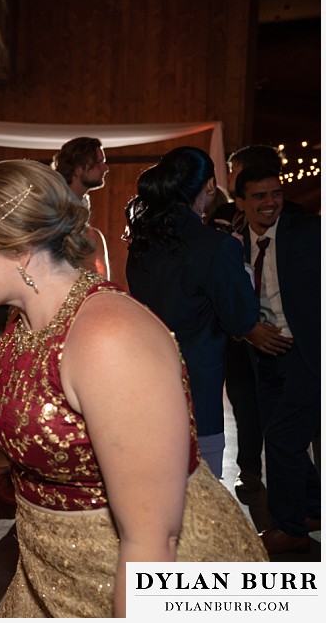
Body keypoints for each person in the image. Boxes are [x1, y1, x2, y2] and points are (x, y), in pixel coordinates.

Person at [0, 159, 267, 618]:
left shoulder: (111, 339)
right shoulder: (24, 319)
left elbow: (152, 538)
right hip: (48, 573)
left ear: (20, 249)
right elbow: (47, 438)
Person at [124, 146, 261, 477]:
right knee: (202, 494)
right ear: (210, 186)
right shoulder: (218, 245)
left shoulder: (141, 243)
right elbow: (241, 319)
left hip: (147, 378)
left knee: (156, 484)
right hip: (197, 384)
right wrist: (243, 268)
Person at [205, 144, 302, 498]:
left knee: (287, 424)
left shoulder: (296, 221)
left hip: (290, 336)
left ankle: (300, 499)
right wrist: (245, 328)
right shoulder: (225, 219)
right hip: (241, 334)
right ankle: (249, 470)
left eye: (233, 169)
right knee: (245, 404)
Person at [234, 166, 321, 555]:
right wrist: (248, 330)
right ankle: (310, 509)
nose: (271, 202)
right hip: (264, 354)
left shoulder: (307, 234)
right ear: (240, 202)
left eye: (276, 194)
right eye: (259, 196)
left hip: (306, 351)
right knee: (278, 435)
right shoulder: (232, 243)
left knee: (282, 439)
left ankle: (289, 529)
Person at [51, 136, 111, 277]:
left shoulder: (79, 201)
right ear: (78, 169)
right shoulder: (58, 205)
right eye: (99, 163)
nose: (105, 168)